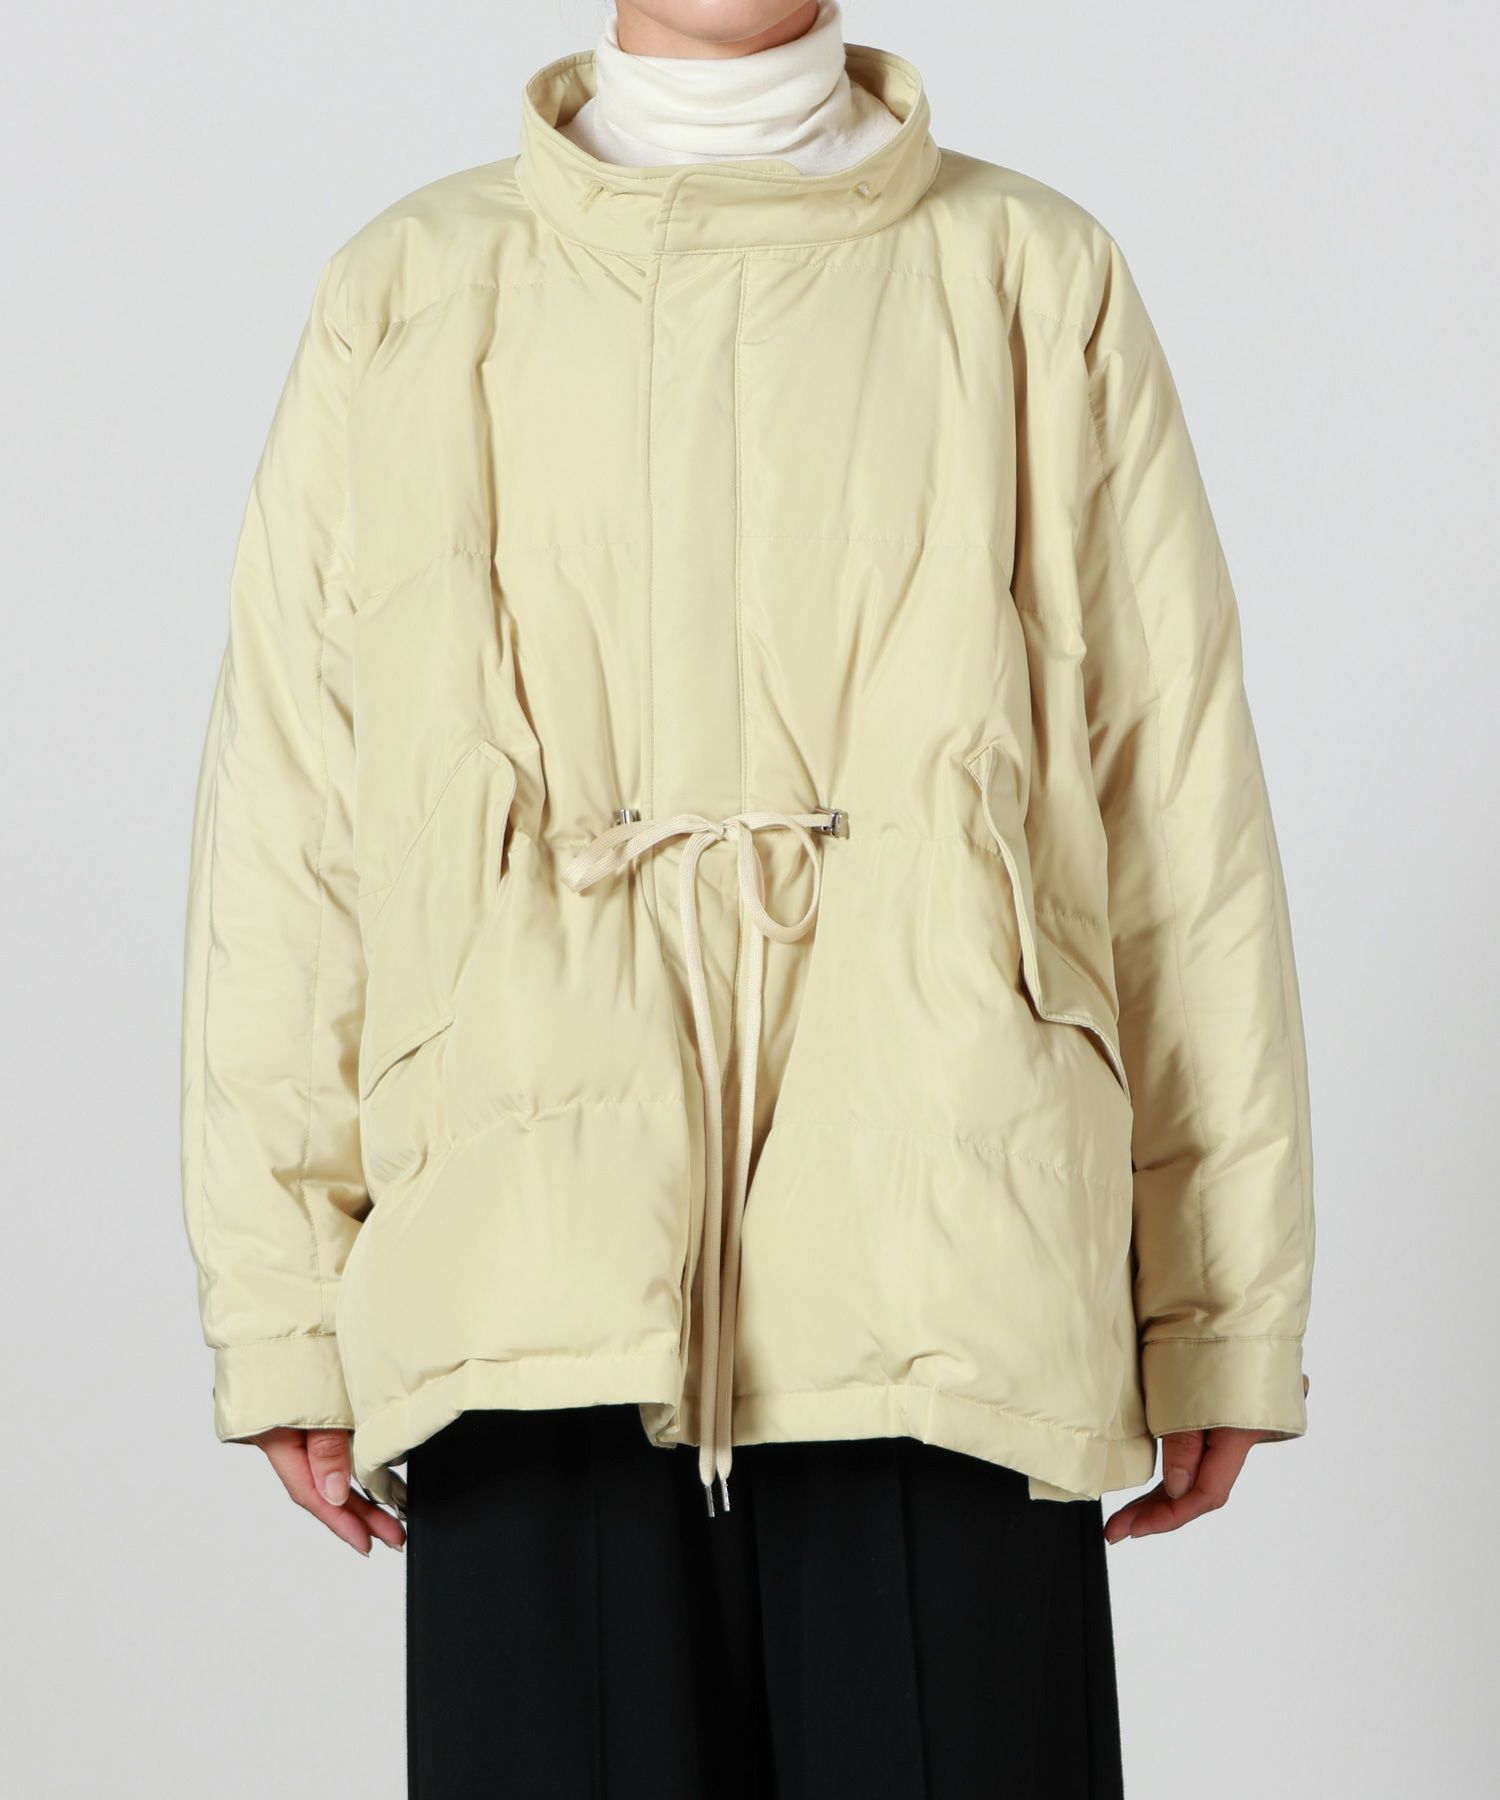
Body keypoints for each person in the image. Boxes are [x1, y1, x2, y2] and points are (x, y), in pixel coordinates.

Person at [179, 3, 1317, 1793]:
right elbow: (296, 829)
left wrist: (1220, 1300)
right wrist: (282, 1300)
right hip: (525, 1261)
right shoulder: (406, 292)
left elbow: (1174, 810)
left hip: (951, 1251)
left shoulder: (1032, 276)